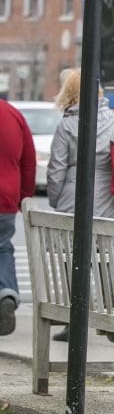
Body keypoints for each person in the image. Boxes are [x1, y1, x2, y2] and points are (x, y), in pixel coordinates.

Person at [47, 68, 114, 342]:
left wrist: (55, 199)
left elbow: (56, 169)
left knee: (73, 261)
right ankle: (111, 314)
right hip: (110, 199)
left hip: (73, 200)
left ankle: (73, 321)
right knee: (108, 258)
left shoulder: (66, 125)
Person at [0, 98, 35, 337]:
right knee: (2, 248)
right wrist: (24, 195)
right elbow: (28, 161)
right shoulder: (12, 114)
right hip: (5, 198)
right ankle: (7, 292)